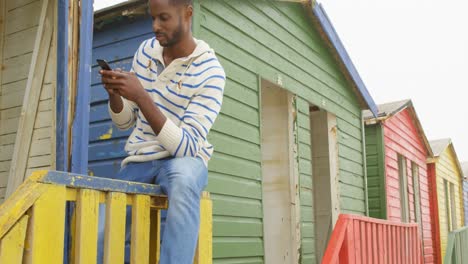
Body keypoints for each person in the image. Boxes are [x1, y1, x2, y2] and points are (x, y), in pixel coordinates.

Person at [98, 0, 225, 262]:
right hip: (140, 158)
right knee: (100, 226)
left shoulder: (211, 72)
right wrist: (116, 96)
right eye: (152, 18)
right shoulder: (146, 51)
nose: (155, 26)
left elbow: (187, 146)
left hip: (184, 160)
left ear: (187, 13)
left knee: (186, 181)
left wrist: (142, 97)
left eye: (163, 18)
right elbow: (125, 121)